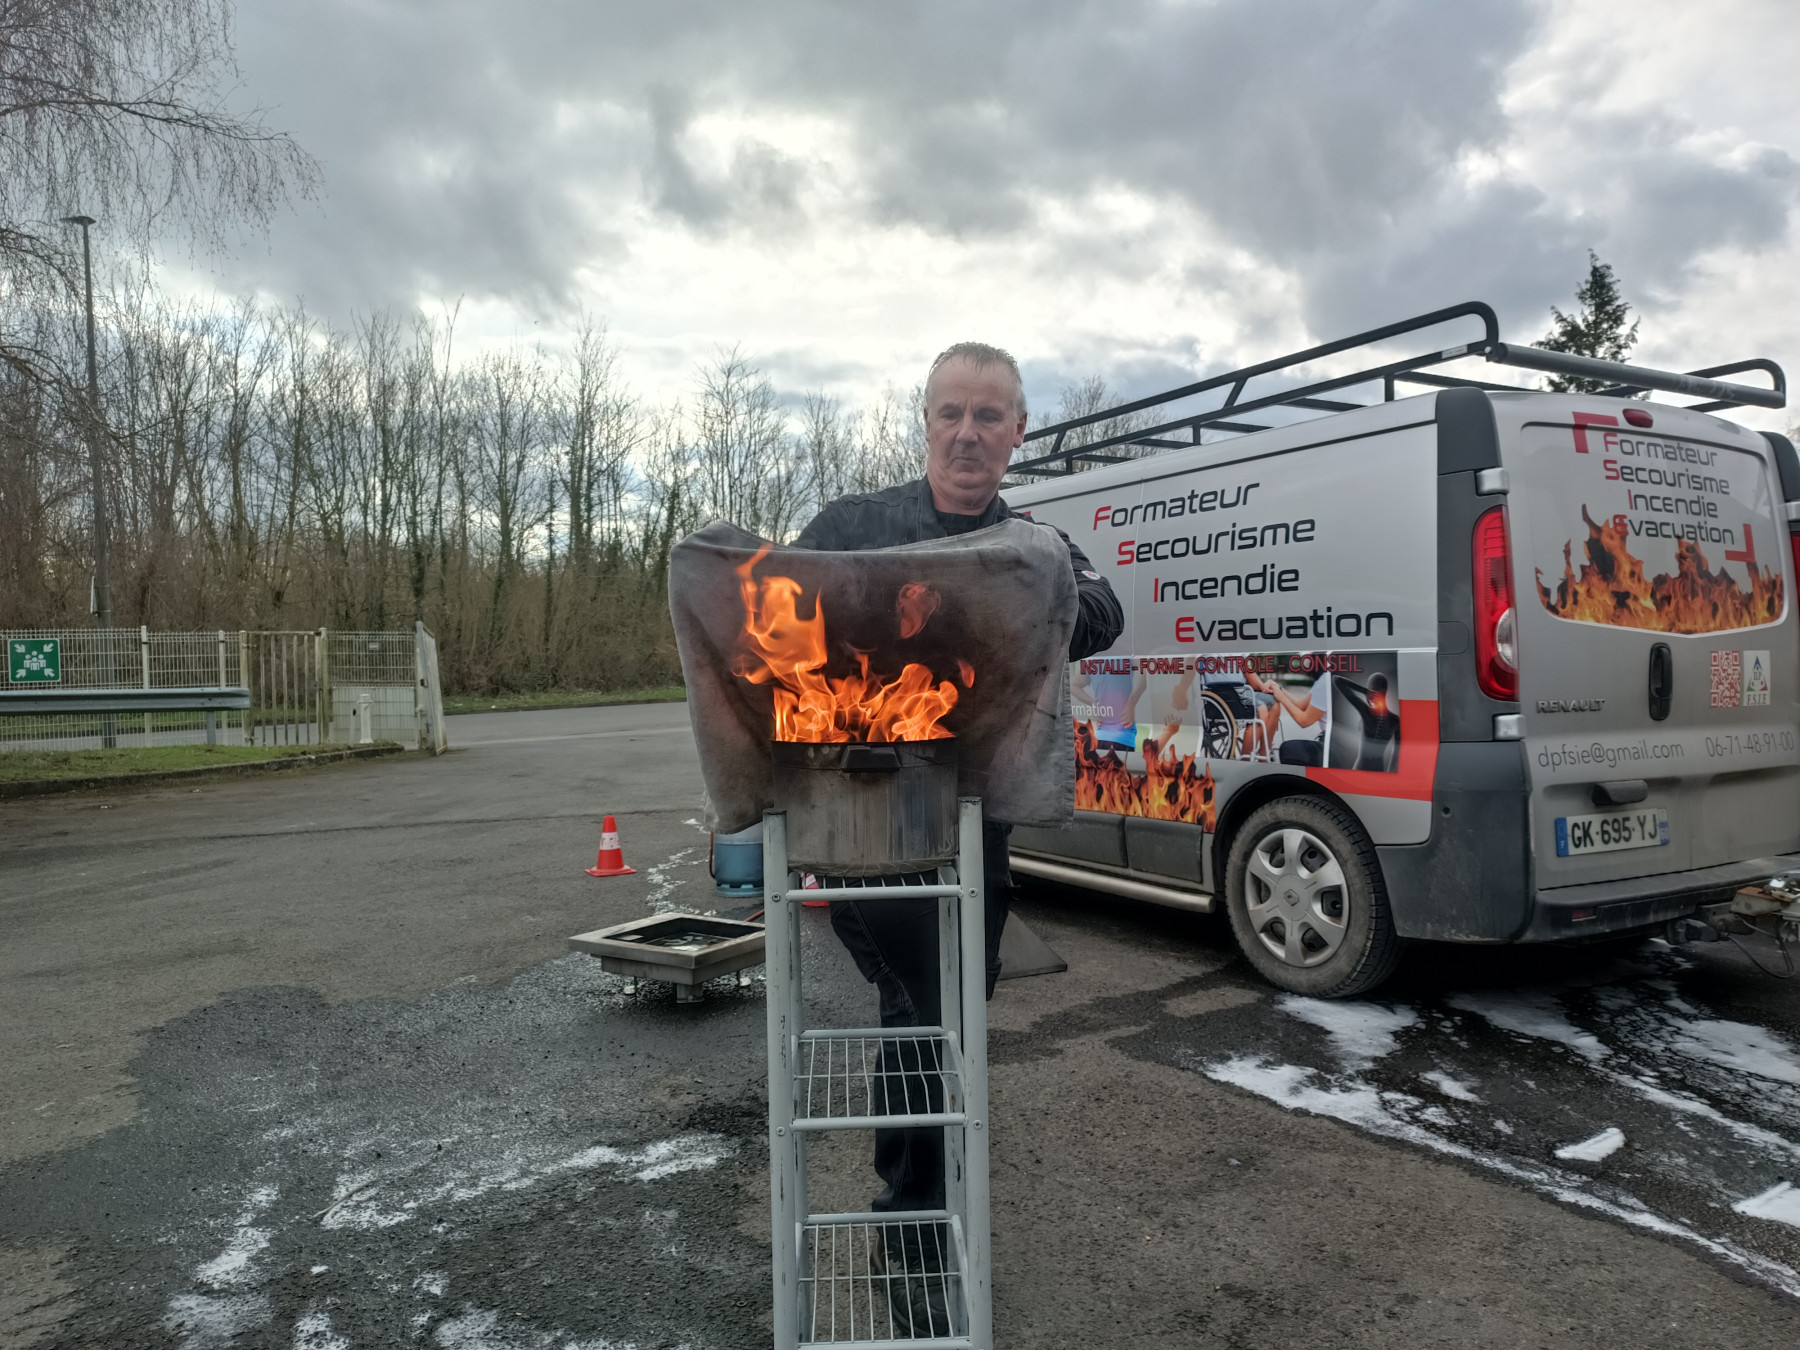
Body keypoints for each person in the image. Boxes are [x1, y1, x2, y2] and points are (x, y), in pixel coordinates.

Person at [793, 341, 1122, 1333]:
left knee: (949, 1017)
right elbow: (779, 613)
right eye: (952, 413)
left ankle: (925, 1206)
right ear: (926, 422)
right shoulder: (854, 525)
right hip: (866, 819)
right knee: (924, 1011)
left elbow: (1102, 609)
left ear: (1018, 432)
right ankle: (913, 1230)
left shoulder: (1033, 543)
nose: (968, 434)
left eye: (989, 416)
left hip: (979, 821)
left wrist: (1006, 605)